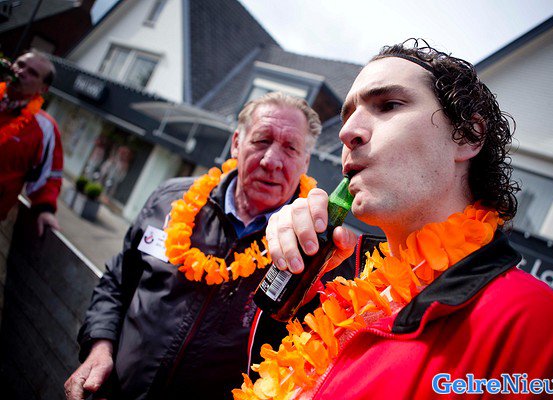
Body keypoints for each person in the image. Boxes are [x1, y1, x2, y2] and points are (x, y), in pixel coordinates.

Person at [241, 40, 553, 399]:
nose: (347, 132)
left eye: (388, 105)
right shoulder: (341, 285)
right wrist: (296, 304)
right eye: (348, 114)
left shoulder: (539, 328)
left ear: (468, 136)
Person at [65, 92, 328, 399]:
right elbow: (118, 280)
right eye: (261, 140)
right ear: (236, 143)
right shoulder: (169, 199)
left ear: (305, 162)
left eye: (290, 148)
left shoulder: (313, 247)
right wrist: (100, 347)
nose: (271, 161)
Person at [0, 50, 63, 236]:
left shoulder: (45, 128)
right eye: (20, 64)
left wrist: (45, 210)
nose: (21, 72)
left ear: (43, 89)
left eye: (32, 73)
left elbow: (49, 177)